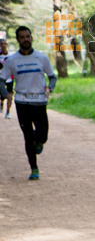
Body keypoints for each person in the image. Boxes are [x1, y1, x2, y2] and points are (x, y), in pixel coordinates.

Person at [0, 26, 57, 180]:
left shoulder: (42, 58)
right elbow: (1, 79)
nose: (26, 39)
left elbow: (52, 77)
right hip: (22, 102)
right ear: (18, 40)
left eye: (28, 36)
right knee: (27, 136)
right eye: (22, 37)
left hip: (39, 100)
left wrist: (49, 89)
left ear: (31, 38)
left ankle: (39, 142)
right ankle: (34, 168)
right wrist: (6, 94)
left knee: (42, 134)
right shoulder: (12, 61)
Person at [0, 38, 13, 118]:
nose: (4, 45)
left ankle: (8, 112)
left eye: (5, 44)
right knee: (3, 95)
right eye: (2, 44)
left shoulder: (11, 56)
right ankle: (1, 102)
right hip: (0, 79)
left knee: (10, 96)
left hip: (9, 79)